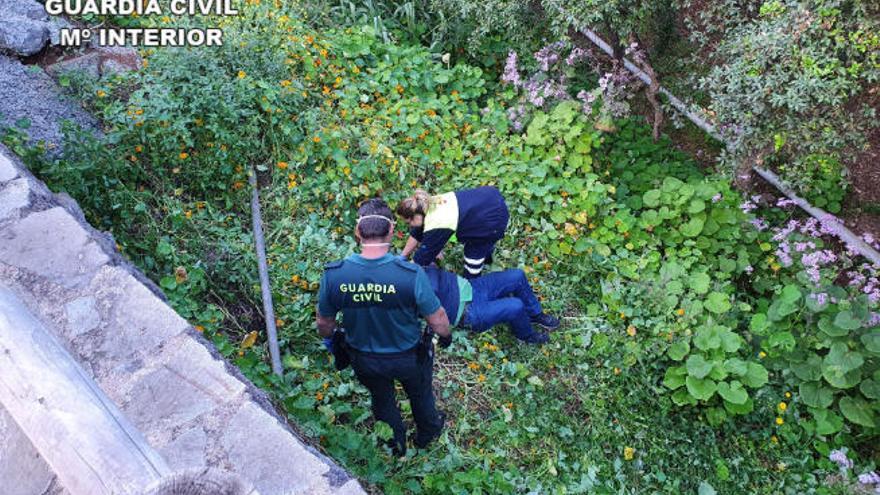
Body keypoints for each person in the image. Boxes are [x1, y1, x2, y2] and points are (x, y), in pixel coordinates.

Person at [316, 198, 451, 457]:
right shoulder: (410, 275)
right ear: (391, 231)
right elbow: (437, 318)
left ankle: (395, 446)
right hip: (409, 357)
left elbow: (324, 323)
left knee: (382, 399)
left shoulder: (335, 275)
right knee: (420, 393)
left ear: (358, 232)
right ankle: (428, 433)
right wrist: (445, 336)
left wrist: (332, 339)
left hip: (364, 358)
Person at [422, 264, 560, 344]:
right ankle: (525, 335)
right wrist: (444, 335)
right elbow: (435, 318)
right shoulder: (410, 292)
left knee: (517, 275)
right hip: (469, 312)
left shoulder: (410, 266)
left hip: (472, 287)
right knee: (516, 306)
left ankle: (535, 314)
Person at [397, 186, 509, 279]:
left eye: (408, 222)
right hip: (487, 198)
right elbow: (417, 233)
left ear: (416, 217)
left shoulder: (437, 223)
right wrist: (403, 256)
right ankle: (487, 255)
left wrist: (400, 274)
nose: (410, 226)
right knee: (483, 245)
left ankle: (473, 285)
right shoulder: (426, 204)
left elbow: (421, 259)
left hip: (493, 217)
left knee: (473, 253)